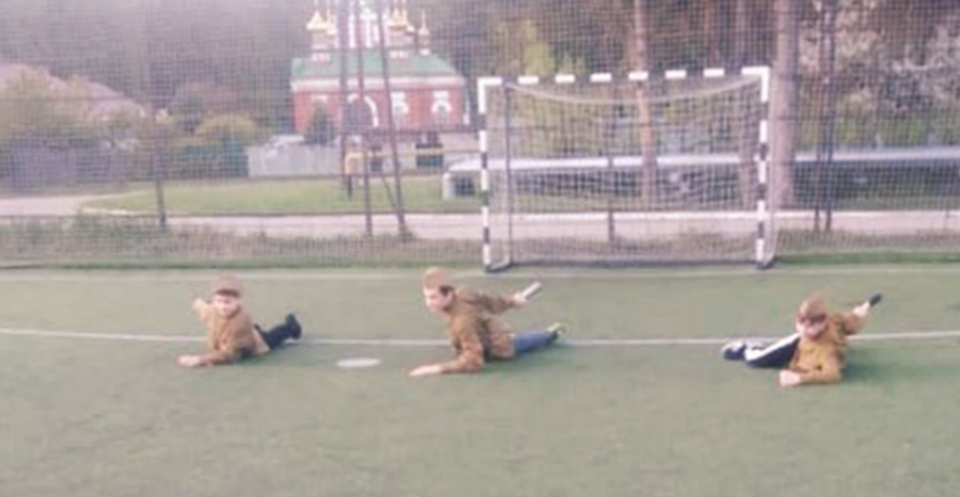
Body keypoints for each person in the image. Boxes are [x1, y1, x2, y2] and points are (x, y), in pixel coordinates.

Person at [409, 268, 564, 377]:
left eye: (433, 297)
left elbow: (474, 360)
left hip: (498, 350)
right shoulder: (465, 292)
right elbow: (491, 302)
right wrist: (513, 301)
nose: (428, 303)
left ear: (449, 293)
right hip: (488, 335)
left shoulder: (462, 321)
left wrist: (436, 369)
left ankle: (552, 333)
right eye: (426, 297)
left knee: (527, 341)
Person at [720, 294, 875, 387]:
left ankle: (748, 347)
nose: (805, 329)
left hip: (803, 352)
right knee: (757, 360)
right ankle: (748, 348)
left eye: (811, 325)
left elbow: (832, 375)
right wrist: (861, 312)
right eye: (802, 323)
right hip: (797, 346)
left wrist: (799, 379)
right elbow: (852, 322)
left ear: (823, 322)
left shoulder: (826, 350)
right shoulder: (832, 320)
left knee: (759, 361)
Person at [178, 275, 302, 368]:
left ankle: (291, 326)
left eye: (227, 302)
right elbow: (202, 307)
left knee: (274, 336)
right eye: (219, 301)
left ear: (238, 302)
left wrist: (200, 360)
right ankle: (255, 329)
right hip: (243, 333)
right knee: (253, 329)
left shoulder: (240, 322)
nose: (222, 307)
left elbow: (229, 355)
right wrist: (196, 302)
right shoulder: (211, 310)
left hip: (252, 345)